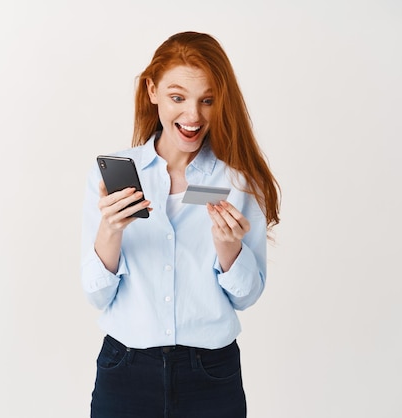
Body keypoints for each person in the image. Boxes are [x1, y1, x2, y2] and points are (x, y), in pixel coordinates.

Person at [80, 31, 280, 418]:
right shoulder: (116, 175)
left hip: (210, 375)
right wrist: (111, 231)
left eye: (207, 100)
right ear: (152, 90)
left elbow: (246, 297)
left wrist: (229, 249)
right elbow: (96, 296)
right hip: (126, 371)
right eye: (177, 98)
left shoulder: (236, 180)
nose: (193, 116)